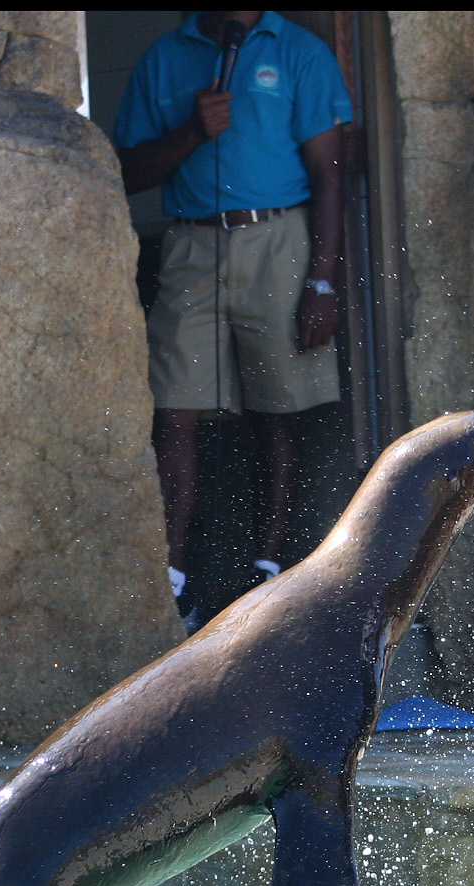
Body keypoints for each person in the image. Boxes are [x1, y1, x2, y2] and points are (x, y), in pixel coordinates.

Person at [114, 11, 353, 628]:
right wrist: (193, 133)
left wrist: (323, 279)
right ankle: (170, 579)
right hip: (192, 243)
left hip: (278, 237)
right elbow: (126, 172)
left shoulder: (300, 53)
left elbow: (330, 175)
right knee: (174, 410)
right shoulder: (165, 58)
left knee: (280, 410)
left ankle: (268, 570)